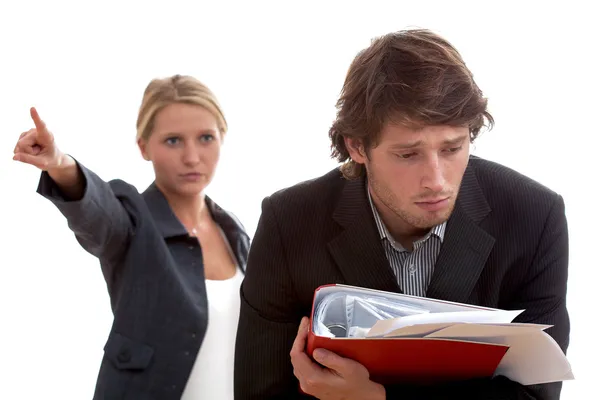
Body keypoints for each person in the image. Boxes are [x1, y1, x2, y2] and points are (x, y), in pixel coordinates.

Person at [234, 29, 569, 400]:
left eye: (453, 148)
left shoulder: (534, 216)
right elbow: (258, 392)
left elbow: (537, 396)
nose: (436, 180)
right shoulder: (289, 221)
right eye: (408, 154)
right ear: (357, 146)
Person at [12, 75, 249, 400]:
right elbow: (98, 215)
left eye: (206, 137)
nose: (192, 157)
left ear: (223, 137)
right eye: (173, 141)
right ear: (143, 146)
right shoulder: (133, 219)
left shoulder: (233, 231)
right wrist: (60, 165)